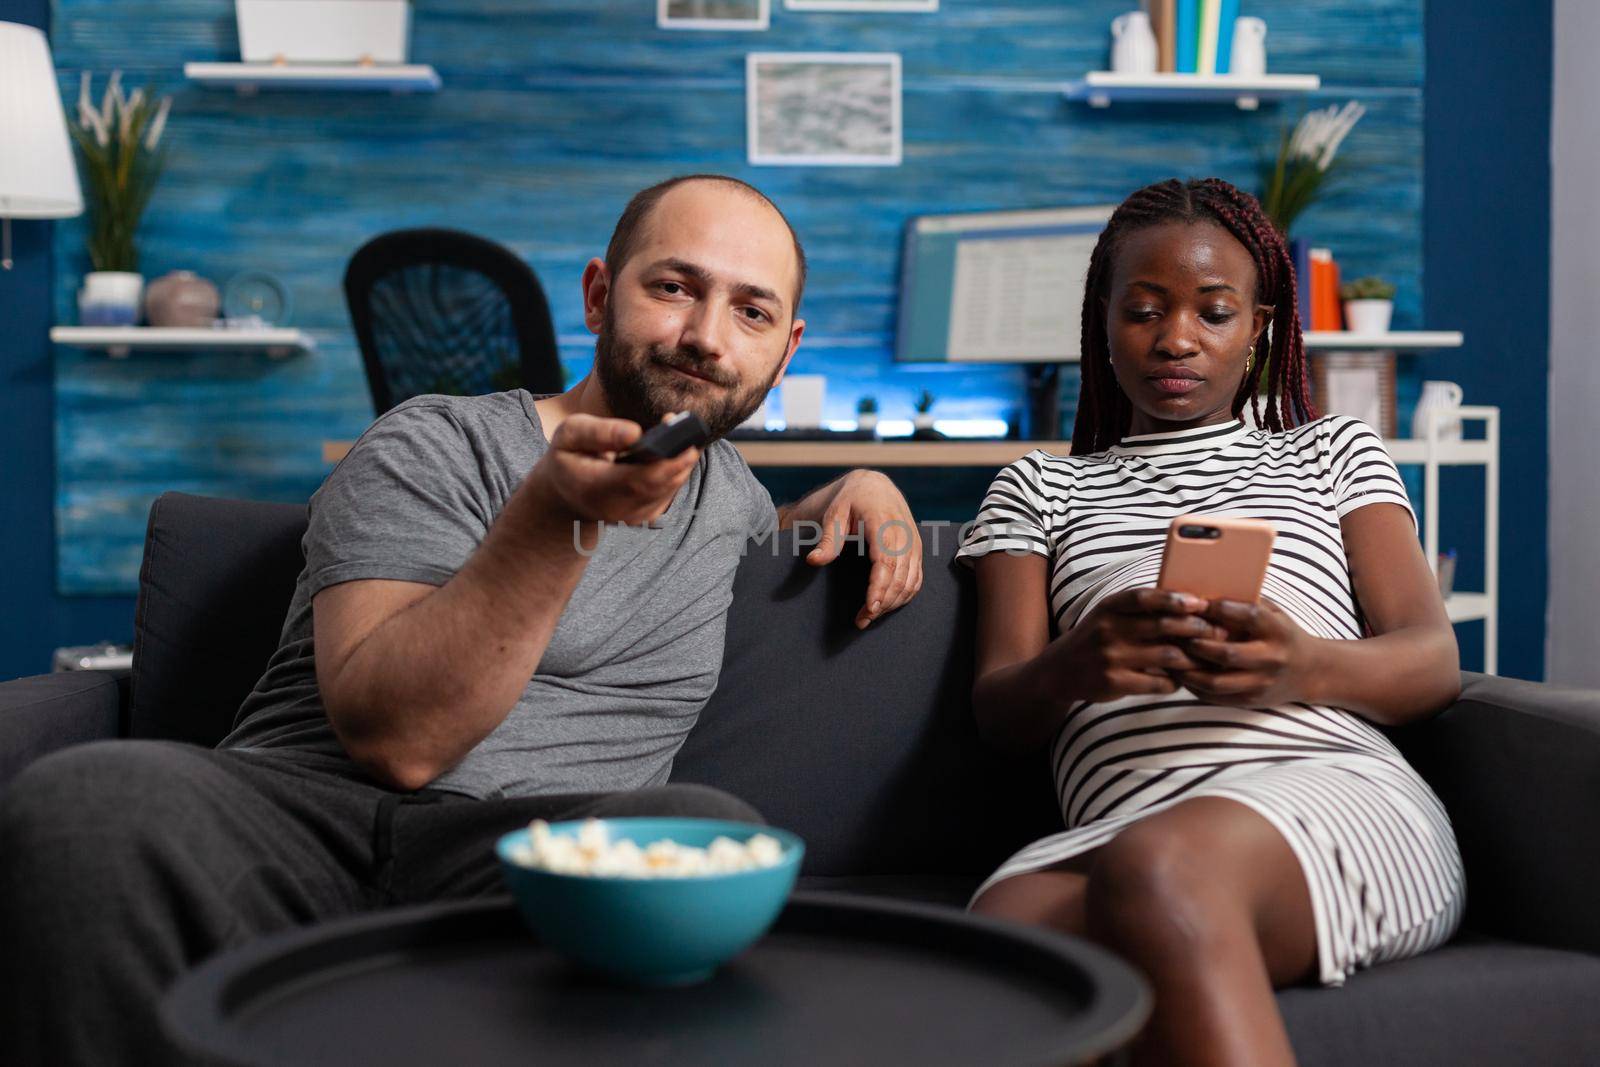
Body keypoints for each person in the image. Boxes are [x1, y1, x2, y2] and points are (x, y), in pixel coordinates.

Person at [0, 174, 923, 1066]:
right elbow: (397, 740)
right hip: (304, 823)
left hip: (542, 859)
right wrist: (558, 514)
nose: (704, 337)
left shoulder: (733, 505)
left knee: (696, 825)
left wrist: (858, 484)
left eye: (750, 312)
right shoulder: (434, 441)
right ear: (600, 296)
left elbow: (760, 532)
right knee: (85, 800)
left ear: (788, 349)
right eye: (674, 287)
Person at [957, 177, 1464, 1067]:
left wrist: (1304, 667)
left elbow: (1433, 660)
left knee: (1161, 869)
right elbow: (999, 712)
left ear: (1260, 325)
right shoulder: (1038, 487)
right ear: (1103, 320)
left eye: (1214, 312)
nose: (1176, 339)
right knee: (1003, 932)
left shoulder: (1334, 452)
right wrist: (1081, 661)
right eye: (1144, 311)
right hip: (1121, 824)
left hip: (1323, 793)